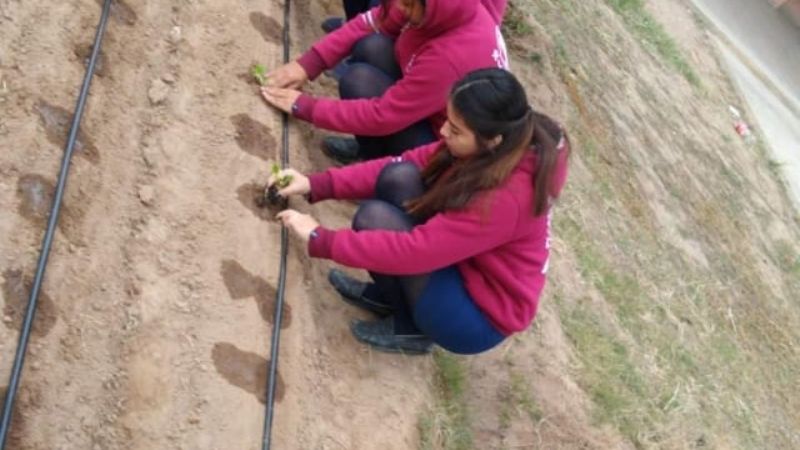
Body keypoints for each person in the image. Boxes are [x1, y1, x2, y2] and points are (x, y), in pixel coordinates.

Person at [271, 68, 571, 355]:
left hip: (478, 315)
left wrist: (319, 238)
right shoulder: (504, 144)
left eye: (455, 130)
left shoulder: (506, 198)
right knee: (399, 176)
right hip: (470, 262)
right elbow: (410, 161)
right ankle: (392, 299)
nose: (442, 131)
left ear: (492, 141)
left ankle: (411, 330)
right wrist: (315, 184)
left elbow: (417, 250)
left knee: (374, 219)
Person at [261, 0, 510, 163]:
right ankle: (370, 152)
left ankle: (377, 169)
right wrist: (307, 64)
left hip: (446, 146)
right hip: (432, 105)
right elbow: (375, 21)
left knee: (359, 81)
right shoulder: (439, 8)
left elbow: (384, 115)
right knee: (373, 45)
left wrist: (305, 106)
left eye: (409, 6)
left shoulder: (452, 57)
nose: (401, 9)